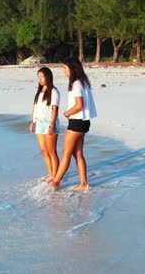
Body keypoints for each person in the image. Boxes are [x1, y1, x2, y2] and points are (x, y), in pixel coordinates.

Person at [49, 57, 97, 191]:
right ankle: (83, 184)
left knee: (66, 153)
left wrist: (66, 113)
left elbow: (79, 105)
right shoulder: (84, 83)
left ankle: (56, 182)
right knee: (78, 153)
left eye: (65, 68)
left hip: (76, 122)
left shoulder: (76, 84)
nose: (64, 71)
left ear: (72, 68)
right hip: (84, 122)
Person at [29, 67, 60, 181]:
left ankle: (56, 176)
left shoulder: (54, 91)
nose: (40, 80)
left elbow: (55, 109)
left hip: (49, 123)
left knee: (52, 151)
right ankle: (50, 173)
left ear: (48, 77)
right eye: (39, 77)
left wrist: (52, 125)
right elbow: (35, 108)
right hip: (39, 123)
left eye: (42, 77)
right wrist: (32, 121)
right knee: (43, 151)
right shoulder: (39, 92)